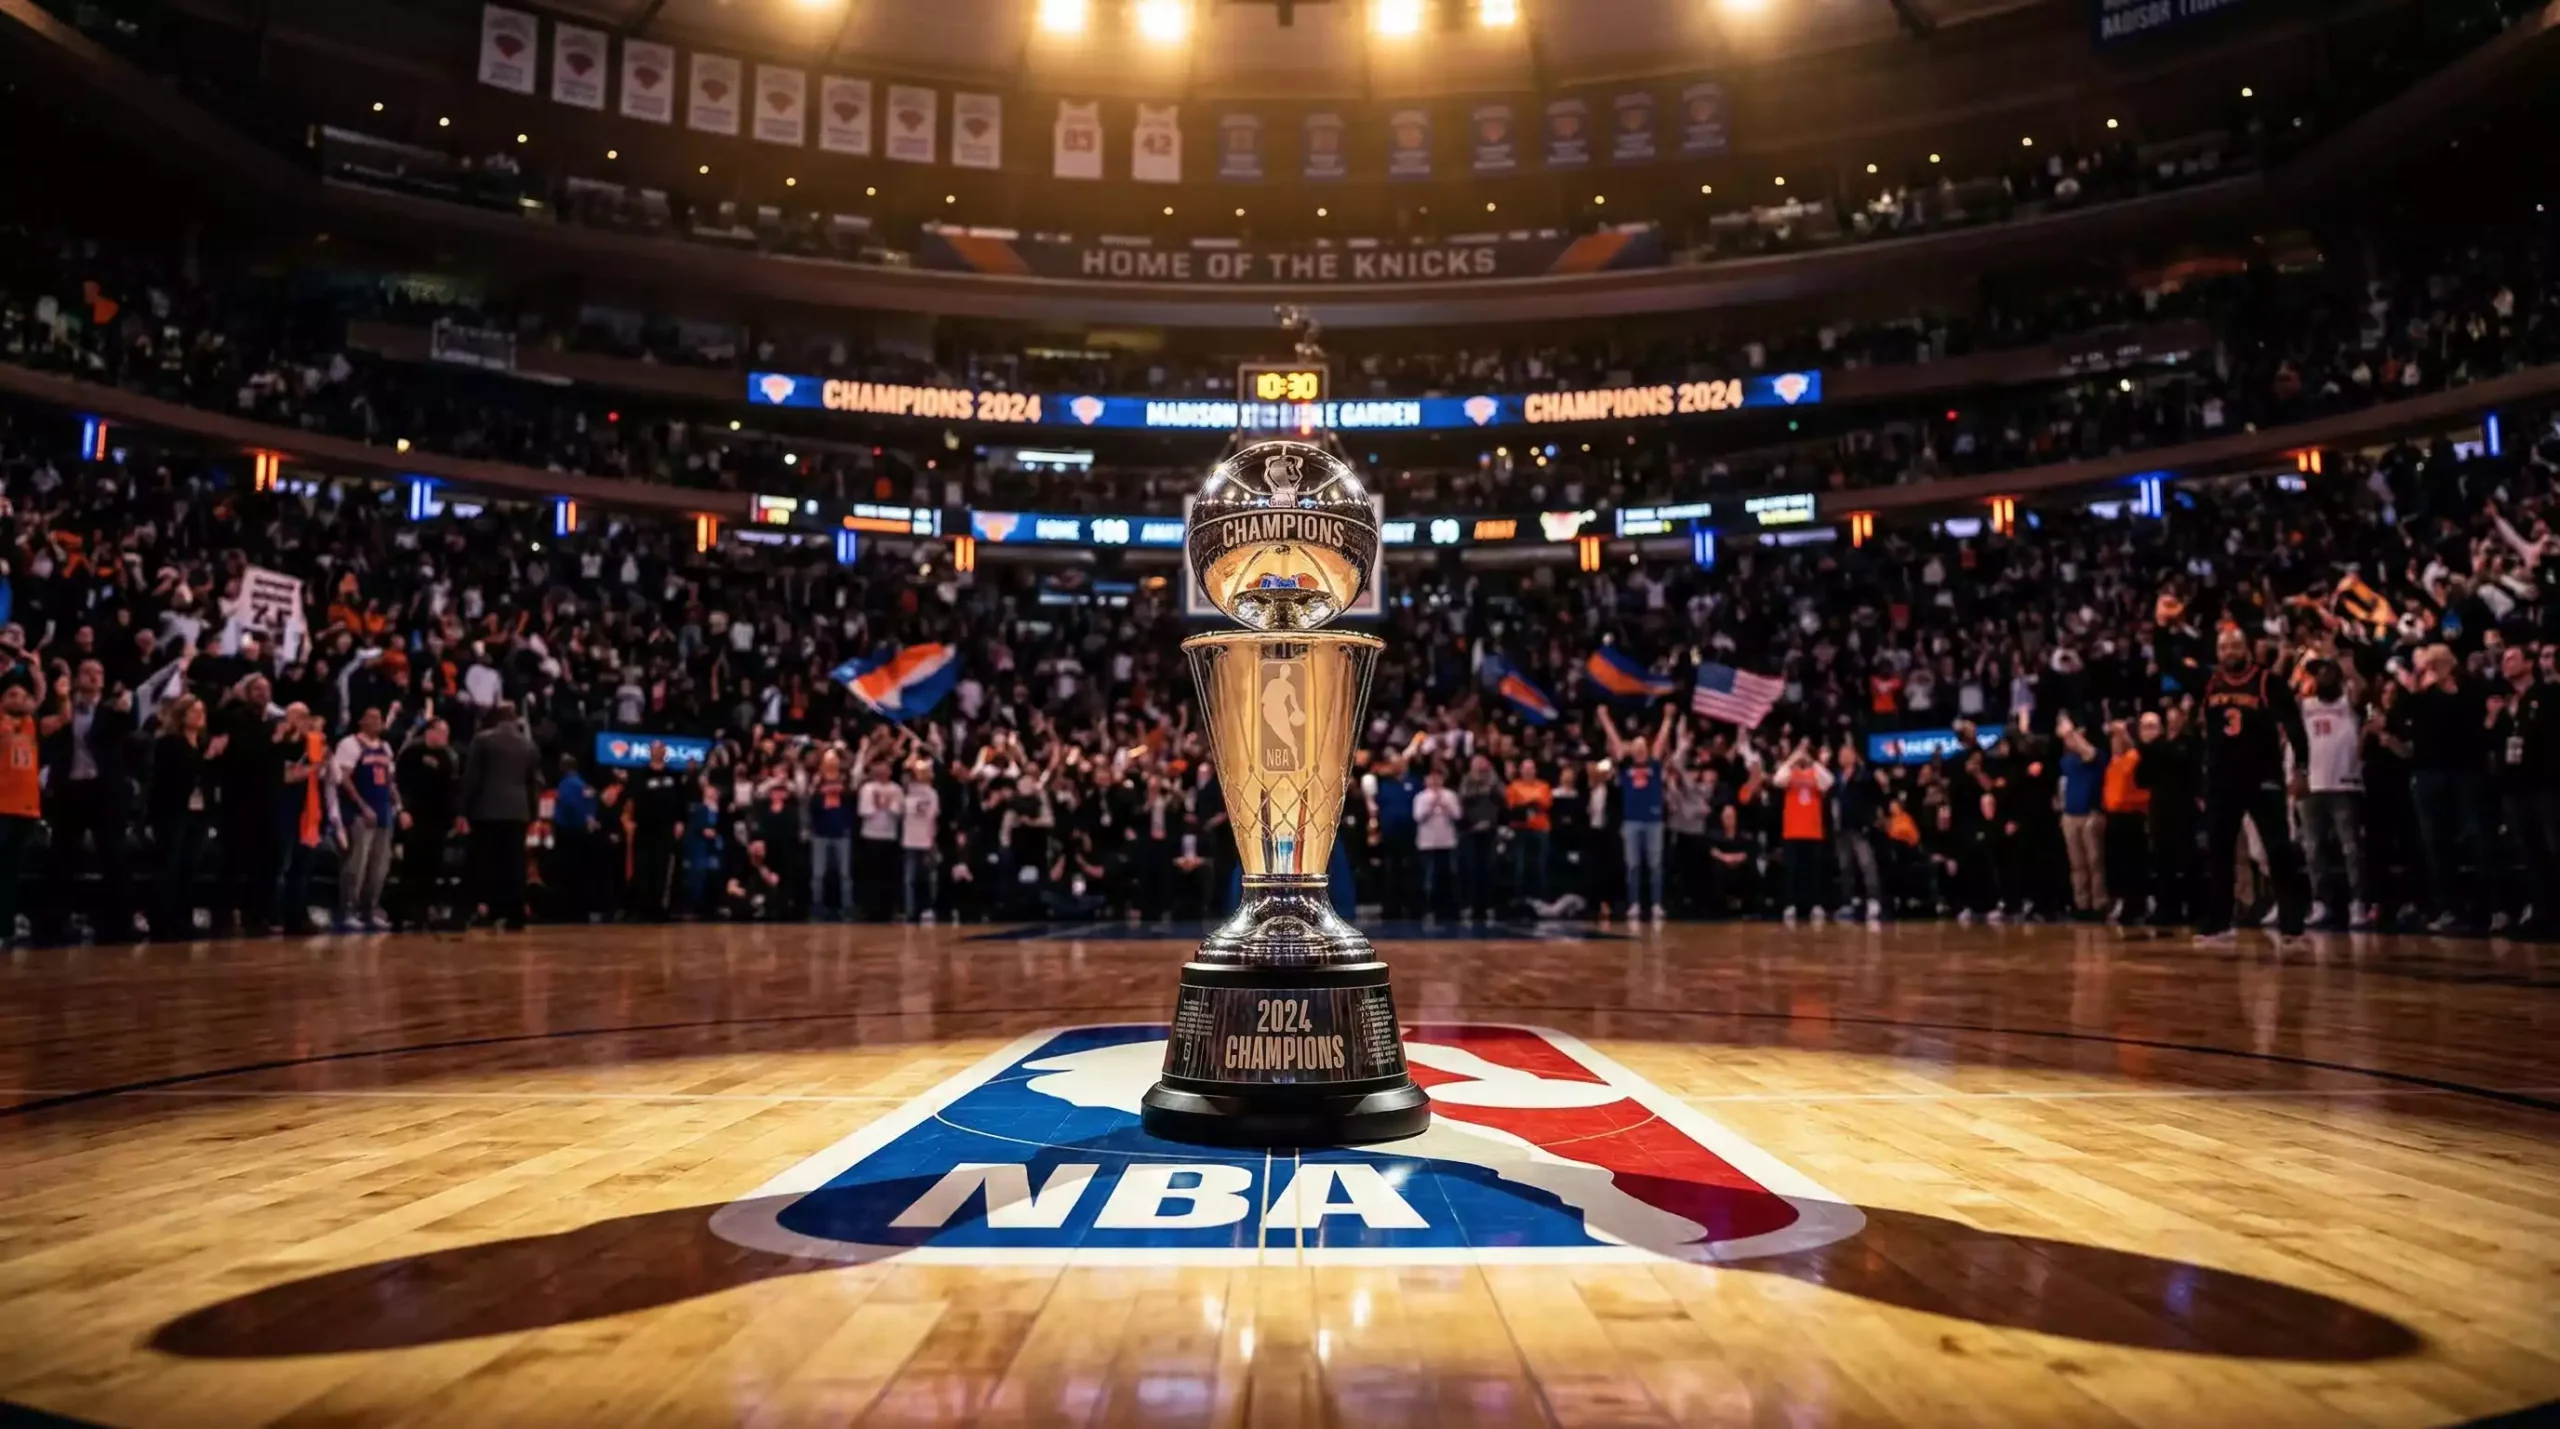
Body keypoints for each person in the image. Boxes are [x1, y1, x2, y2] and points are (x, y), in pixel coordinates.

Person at [2193, 627, 2310, 942]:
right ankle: (2220, 922)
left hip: (2262, 777)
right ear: (2217, 653)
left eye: (2235, 645)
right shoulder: (2210, 683)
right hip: (2221, 779)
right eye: (2223, 647)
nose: (2229, 651)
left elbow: (2294, 724)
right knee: (2219, 852)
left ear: (2246, 649)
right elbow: (2170, 665)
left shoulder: (2266, 681)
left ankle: (2292, 924)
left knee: (2278, 849)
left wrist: (2302, 768)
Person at [37, 658, 137, 943]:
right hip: (70, 789)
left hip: (104, 791)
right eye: (87, 672)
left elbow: (128, 731)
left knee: (113, 857)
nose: (93, 677)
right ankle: (54, 925)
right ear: (77, 678)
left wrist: (123, 709)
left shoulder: (113, 711)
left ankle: (116, 925)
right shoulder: (61, 710)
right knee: (62, 857)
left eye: (98, 673)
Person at [2297, 655, 2371, 929]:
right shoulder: (2305, 705)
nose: (2323, 676)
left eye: (2329, 671)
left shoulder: (2348, 703)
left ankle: (2357, 903)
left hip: (2345, 782)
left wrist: (2352, 670)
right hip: (2312, 785)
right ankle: (2320, 902)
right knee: (2313, 848)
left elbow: (2363, 692)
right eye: (2319, 673)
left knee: (2351, 848)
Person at [459, 700, 543, 929]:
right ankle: (515, 915)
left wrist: (462, 810)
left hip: (487, 810)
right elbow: (532, 784)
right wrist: (533, 813)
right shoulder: (527, 746)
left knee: (483, 863)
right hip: (518, 812)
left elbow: (471, 779)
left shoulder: (483, 740)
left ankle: (478, 912)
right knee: (514, 865)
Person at [146, 693, 218, 941]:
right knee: (169, 866)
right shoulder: (169, 743)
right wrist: (204, 760)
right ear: (181, 715)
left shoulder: (203, 742)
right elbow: (167, 779)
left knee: (190, 866)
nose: (199, 716)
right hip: (172, 811)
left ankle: (183, 919)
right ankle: (162, 921)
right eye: (193, 711)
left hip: (198, 812)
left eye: (202, 712)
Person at [1598, 705, 1675, 922]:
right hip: (1631, 822)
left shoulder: (1655, 765)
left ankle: (1657, 904)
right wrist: (1605, 718)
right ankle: (1634, 904)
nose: (1640, 749)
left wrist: (1668, 718)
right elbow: (1614, 740)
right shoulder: (1625, 766)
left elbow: (1660, 741)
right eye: (1636, 745)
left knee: (1655, 865)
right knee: (1632, 865)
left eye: (1643, 745)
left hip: (1653, 821)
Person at [330, 705, 401, 931]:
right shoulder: (350, 744)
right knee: (356, 863)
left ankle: (369, 909)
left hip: (384, 812)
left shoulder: (386, 748)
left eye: (379, 718)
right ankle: (348, 910)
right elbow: (345, 779)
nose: (377, 722)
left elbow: (389, 780)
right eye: (372, 718)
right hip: (360, 812)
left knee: (379, 866)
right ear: (361, 721)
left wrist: (398, 803)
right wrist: (362, 805)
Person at [394, 718, 461, 931]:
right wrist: (402, 809)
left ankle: (424, 911)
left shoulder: (450, 757)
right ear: (430, 732)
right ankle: (404, 913)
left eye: (447, 734)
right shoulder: (412, 752)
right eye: (441, 732)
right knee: (412, 865)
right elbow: (398, 782)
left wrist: (454, 816)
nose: (445, 738)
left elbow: (453, 788)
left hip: (437, 820)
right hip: (414, 816)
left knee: (432, 867)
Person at [0, 664, 47, 944]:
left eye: (22, 696)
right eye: (11, 695)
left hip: (27, 809)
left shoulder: (30, 723)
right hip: (1, 808)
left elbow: (39, 696)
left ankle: (4, 928)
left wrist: (34, 668)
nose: (18, 700)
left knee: (11, 873)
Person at [1773, 740, 1836, 925]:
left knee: (1814, 871)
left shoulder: (1815, 773)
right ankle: (1791, 904)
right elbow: (1777, 780)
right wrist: (1793, 757)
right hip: (1792, 831)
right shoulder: (1790, 773)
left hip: (1813, 831)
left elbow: (1828, 781)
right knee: (1792, 870)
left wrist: (1812, 761)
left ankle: (1815, 904)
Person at [2054, 712, 2109, 921]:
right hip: (2070, 815)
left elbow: (2088, 753)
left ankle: (2099, 903)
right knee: (2076, 864)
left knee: (2095, 862)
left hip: (2090, 815)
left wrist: (2070, 732)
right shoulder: (2067, 761)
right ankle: (2082, 903)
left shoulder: (2097, 755)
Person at [629, 742, 688, 921]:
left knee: (663, 869)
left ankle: (662, 909)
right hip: (645, 829)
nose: (658, 751)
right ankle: (642, 909)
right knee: (644, 869)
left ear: (665, 752)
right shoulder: (641, 775)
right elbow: (634, 801)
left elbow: (681, 801)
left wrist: (680, 822)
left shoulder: (673, 776)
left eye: (661, 748)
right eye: (655, 749)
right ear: (650, 752)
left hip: (666, 829)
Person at [807, 748, 855, 920]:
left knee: (845, 875)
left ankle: (847, 908)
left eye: (834, 759)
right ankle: (817, 907)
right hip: (821, 832)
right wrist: (818, 788)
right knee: (818, 875)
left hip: (841, 832)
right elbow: (812, 805)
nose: (831, 762)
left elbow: (851, 801)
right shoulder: (818, 782)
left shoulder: (845, 781)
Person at [1456, 753, 1504, 924]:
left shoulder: (1494, 780)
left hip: (1490, 830)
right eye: (1476, 762)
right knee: (1472, 868)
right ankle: (1472, 906)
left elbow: (1501, 799)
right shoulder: (1467, 780)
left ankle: (1487, 906)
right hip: (1471, 830)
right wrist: (1479, 789)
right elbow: (1462, 800)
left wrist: (1490, 785)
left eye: (1482, 762)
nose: (1479, 765)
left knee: (1489, 868)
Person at [550, 753, 598, 923]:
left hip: (568, 833)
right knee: (581, 872)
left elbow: (569, 806)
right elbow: (591, 807)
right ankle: (580, 910)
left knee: (567, 873)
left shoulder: (566, 784)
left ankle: (568, 911)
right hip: (583, 834)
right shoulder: (585, 785)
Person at [855, 756, 904, 921]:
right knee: (870, 876)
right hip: (870, 836)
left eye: (886, 770)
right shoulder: (867, 788)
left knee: (888, 876)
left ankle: (888, 910)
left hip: (889, 836)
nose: (883, 773)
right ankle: (869, 909)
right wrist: (883, 804)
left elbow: (898, 812)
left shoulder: (896, 789)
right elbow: (865, 811)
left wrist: (885, 804)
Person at [1503, 757, 1552, 914]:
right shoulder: (1513, 787)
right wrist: (1531, 803)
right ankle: (1519, 899)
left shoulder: (1543, 786)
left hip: (1540, 829)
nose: (1528, 771)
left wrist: (1527, 803)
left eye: (1531, 768)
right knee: (1520, 864)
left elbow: (1545, 804)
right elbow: (1513, 806)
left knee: (1540, 865)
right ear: (1521, 770)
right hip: (1520, 829)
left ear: (1535, 770)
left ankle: (1541, 899)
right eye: (1525, 768)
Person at [1413, 766, 1460, 921]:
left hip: (1447, 842)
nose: (1435, 781)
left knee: (1448, 875)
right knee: (1429, 877)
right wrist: (1431, 805)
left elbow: (1458, 815)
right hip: (1427, 843)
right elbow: (1418, 817)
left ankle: (1447, 909)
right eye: (1432, 778)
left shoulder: (1450, 795)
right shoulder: (1421, 797)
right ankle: (1428, 908)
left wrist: (1446, 806)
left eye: (1438, 778)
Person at [900, 755, 941, 922]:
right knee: (909, 879)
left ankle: (928, 908)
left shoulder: (931, 793)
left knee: (928, 878)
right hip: (909, 840)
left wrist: (932, 840)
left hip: (926, 840)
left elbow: (933, 817)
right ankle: (910, 911)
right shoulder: (907, 791)